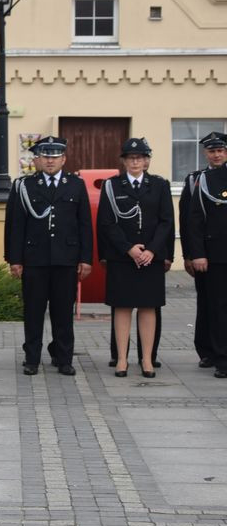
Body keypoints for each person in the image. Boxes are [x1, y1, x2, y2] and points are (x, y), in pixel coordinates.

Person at [5, 136, 92, 376]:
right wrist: (15, 259)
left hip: (66, 258)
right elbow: (15, 225)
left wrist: (86, 258)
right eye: (45, 156)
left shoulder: (75, 184)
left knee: (63, 311)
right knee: (33, 311)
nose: (50, 161)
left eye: (55, 156)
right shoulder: (24, 185)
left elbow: (84, 223)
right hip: (35, 258)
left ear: (63, 159)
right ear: (37, 159)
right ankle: (32, 358)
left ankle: (63, 358)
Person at [97, 138, 173, 378]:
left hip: (151, 257)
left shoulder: (160, 185)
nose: (135, 161)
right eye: (130, 158)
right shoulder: (112, 185)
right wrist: (129, 248)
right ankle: (121, 359)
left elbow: (166, 222)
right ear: (123, 161)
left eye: (140, 158)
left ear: (147, 161)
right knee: (122, 307)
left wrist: (151, 250)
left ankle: (147, 359)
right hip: (123, 257)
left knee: (148, 306)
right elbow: (106, 223)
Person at [179, 131, 227, 367]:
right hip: (212, 254)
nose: (217, 155)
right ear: (206, 153)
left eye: (220, 150)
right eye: (212, 151)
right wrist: (192, 253)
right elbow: (191, 221)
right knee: (211, 305)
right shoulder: (199, 180)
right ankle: (214, 354)